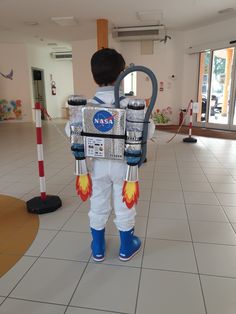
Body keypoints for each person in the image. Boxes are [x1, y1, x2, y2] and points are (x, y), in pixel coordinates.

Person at [88, 48, 141, 262]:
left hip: (97, 165)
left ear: (94, 76)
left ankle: (98, 247)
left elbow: (70, 132)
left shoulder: (86, 106)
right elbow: (149, 131)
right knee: (125, 202)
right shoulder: (131, 105)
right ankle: (126, 247)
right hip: (124, 166)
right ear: (122, 74)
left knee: (98, 201)